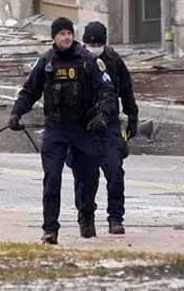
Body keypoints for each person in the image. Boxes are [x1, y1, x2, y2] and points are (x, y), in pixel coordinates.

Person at [7, 16, 118, 245]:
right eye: (62, 34)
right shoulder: (46, 62)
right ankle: (50, 229)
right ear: (54, 37)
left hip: (84, 128)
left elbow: (107, 92)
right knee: (52, 178)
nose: (66, 37)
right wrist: (17, 113)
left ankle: (86, 214)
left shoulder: (89, 61)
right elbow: (29, 91)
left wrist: (102, 117)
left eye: (69, 33)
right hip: (56, 128)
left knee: (89, 177)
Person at [72, 20, 139, 235]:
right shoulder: (75, 60)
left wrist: (132, 117)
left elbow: (126, 90)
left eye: (98, 44)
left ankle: (116, 217)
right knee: (85, 176)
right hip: (83, 126)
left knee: (115, 170)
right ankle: (86, 215)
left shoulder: (114, 61)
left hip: (108, 125)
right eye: (91, 45)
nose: (95, 48)